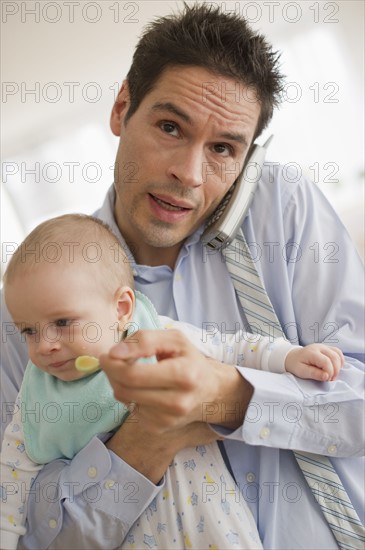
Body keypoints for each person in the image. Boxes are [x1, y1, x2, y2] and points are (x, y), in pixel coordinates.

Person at [0, 4, 363, 549]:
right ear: (123, 107)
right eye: (171, 128)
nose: (189, 175)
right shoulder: (36, 309)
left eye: (222, 149)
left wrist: (230, 396)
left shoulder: (284, 208)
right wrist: (144, 442)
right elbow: (36, 532)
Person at [0, 214, 344, 550]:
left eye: (62, 321)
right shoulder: (36, 397)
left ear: (121, 309)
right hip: (128, 529)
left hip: (212, 517)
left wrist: (286, 357)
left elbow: (232, 347)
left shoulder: (157, 335)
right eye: (28, 331)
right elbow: (11, 477)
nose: (45, 345)